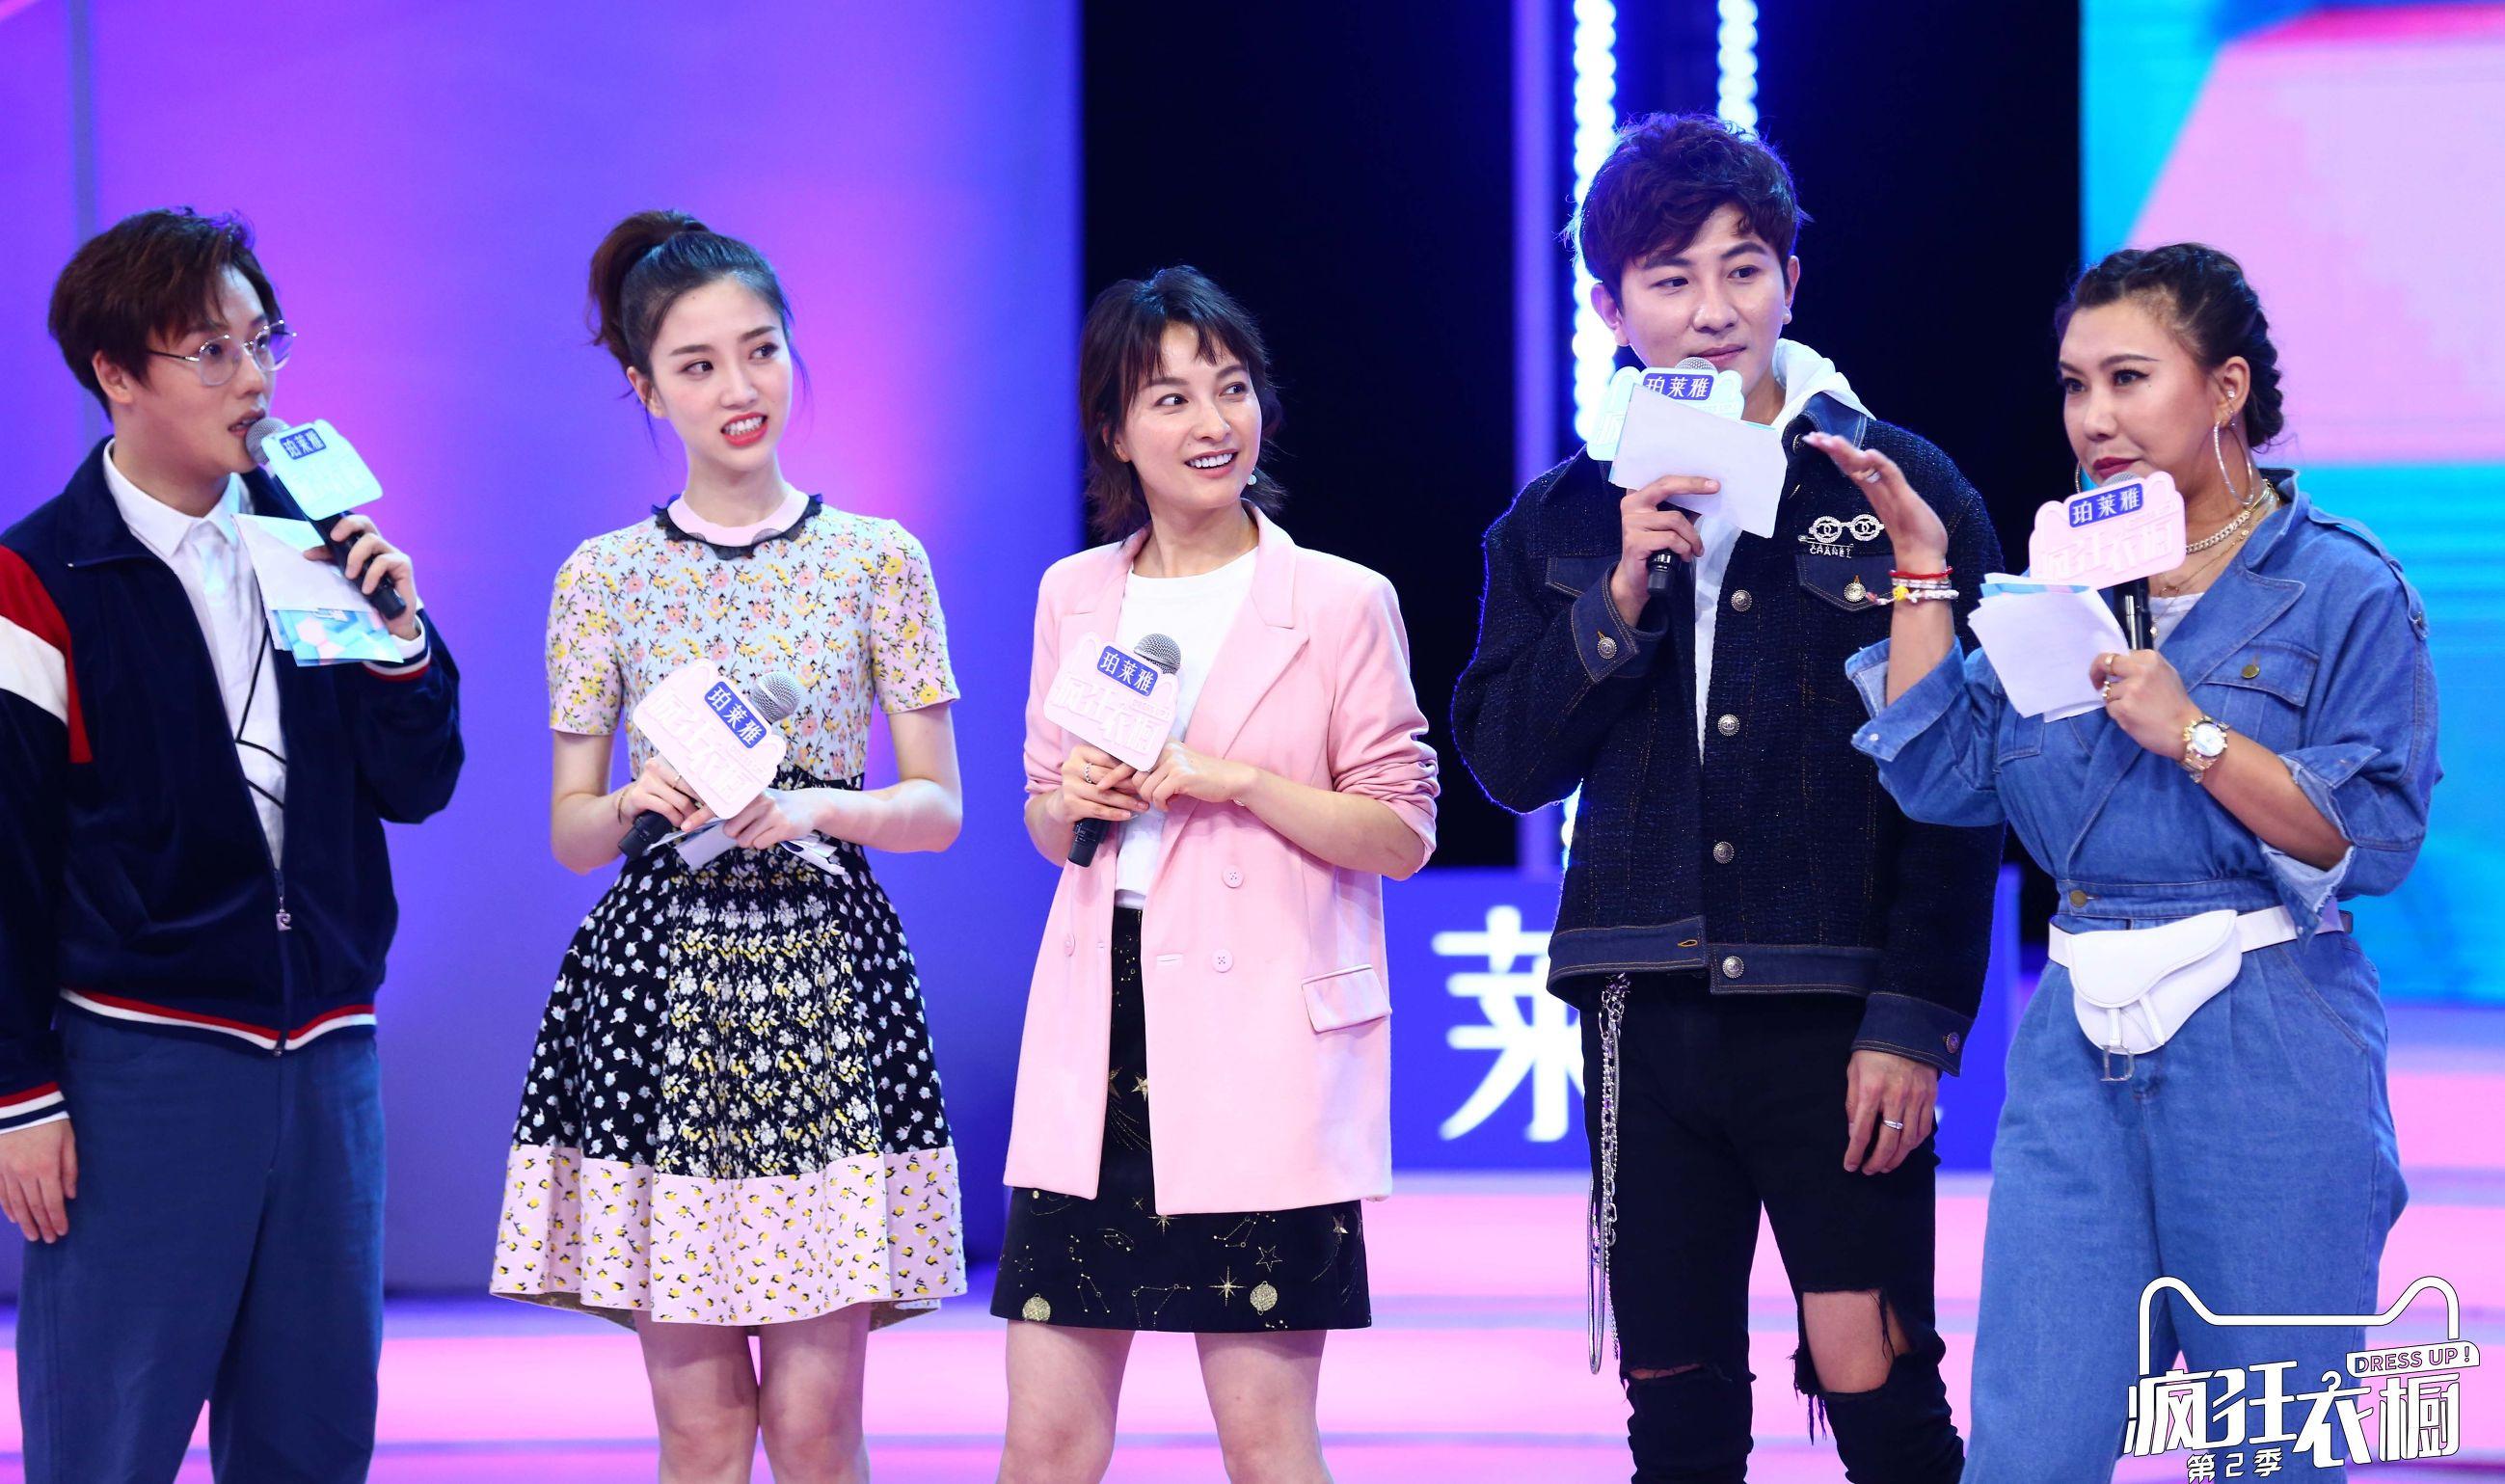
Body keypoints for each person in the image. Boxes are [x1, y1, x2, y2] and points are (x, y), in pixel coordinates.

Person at [1452, 115, 2002, 1482]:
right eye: (1670, 278)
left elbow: (1965, 781)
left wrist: (1916, 1016)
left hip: (1835, 1007)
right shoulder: (1558, 518)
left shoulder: (1900, 487)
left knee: (1881, 1390)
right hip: (1640, 1006)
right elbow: (1507, 763)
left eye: (1743, 269)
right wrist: (1615, 597)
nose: (1712, 310)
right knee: (1679, 1413)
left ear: (1791, 281)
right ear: (1609, 308)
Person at [1832, 242, 2437, 1481]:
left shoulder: (2339, 585)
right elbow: (1935, 773)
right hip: (2075, 1042)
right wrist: (1923, 568)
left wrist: (2197, 734)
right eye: (2074, 385)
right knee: (2030, 1445)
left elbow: (2373, 836)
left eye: (2127, 378)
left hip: (2270, 1035)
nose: (2094, 418)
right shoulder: (2064, 584)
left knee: (2271, 1451)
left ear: (2226, 389)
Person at [490, 211, 967, 1484]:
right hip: (662, 992)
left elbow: (938, 807)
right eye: (696, 365)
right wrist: (636, 799)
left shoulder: (878, 559)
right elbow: (571, 832)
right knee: (700, 1434)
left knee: (815, 1429)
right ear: (646, 388)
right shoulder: (602, 576)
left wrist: (817, 809)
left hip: (824, 984)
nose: (739, 387)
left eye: (760, 350)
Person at [0, 207, 462, 1482]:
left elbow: (419, 782)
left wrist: (402, 643)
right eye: (211, 350)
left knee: (313, 1441)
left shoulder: (313, 538)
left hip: (327, 1053)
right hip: (140, 1064)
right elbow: (7, 863)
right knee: (108, 1441)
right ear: (116, 374)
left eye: (264, 341)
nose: (254, 378)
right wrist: (18, 1093)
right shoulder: (37, 580)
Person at [993, 266, 1439, 1484]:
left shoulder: (1340, 601)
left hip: (1262, 1054)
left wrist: (1233, 780)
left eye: (1231, 389)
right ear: (1114, 430)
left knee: (1265, 1443)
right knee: (1045, 1444)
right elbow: (1044, 818)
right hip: (1101, 1041)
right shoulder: (1075, 594)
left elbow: (1401, 831)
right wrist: (1069, 805)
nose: (1212, 422)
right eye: (1172, 397)